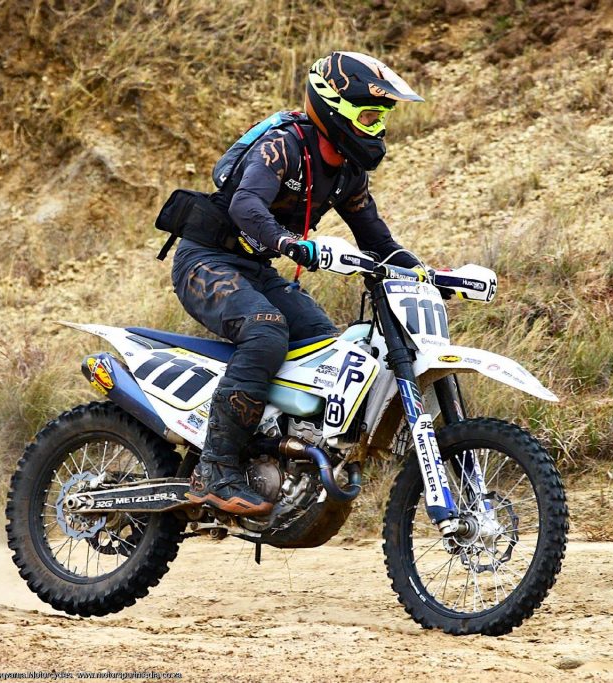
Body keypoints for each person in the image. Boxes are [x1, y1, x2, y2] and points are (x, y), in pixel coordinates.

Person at [172, 52, 424, 516]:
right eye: (369, 117)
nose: (377, 130)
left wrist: (424, 272)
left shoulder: (348, 171)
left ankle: (278, 455)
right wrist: (290, 243)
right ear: (335, 109)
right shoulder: (284, 146)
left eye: (381, 119)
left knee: (322, 341)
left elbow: (377, 240)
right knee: (266, 330)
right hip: (205, 261)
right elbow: (246, 205)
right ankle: (214, 469)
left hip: (256, 268)